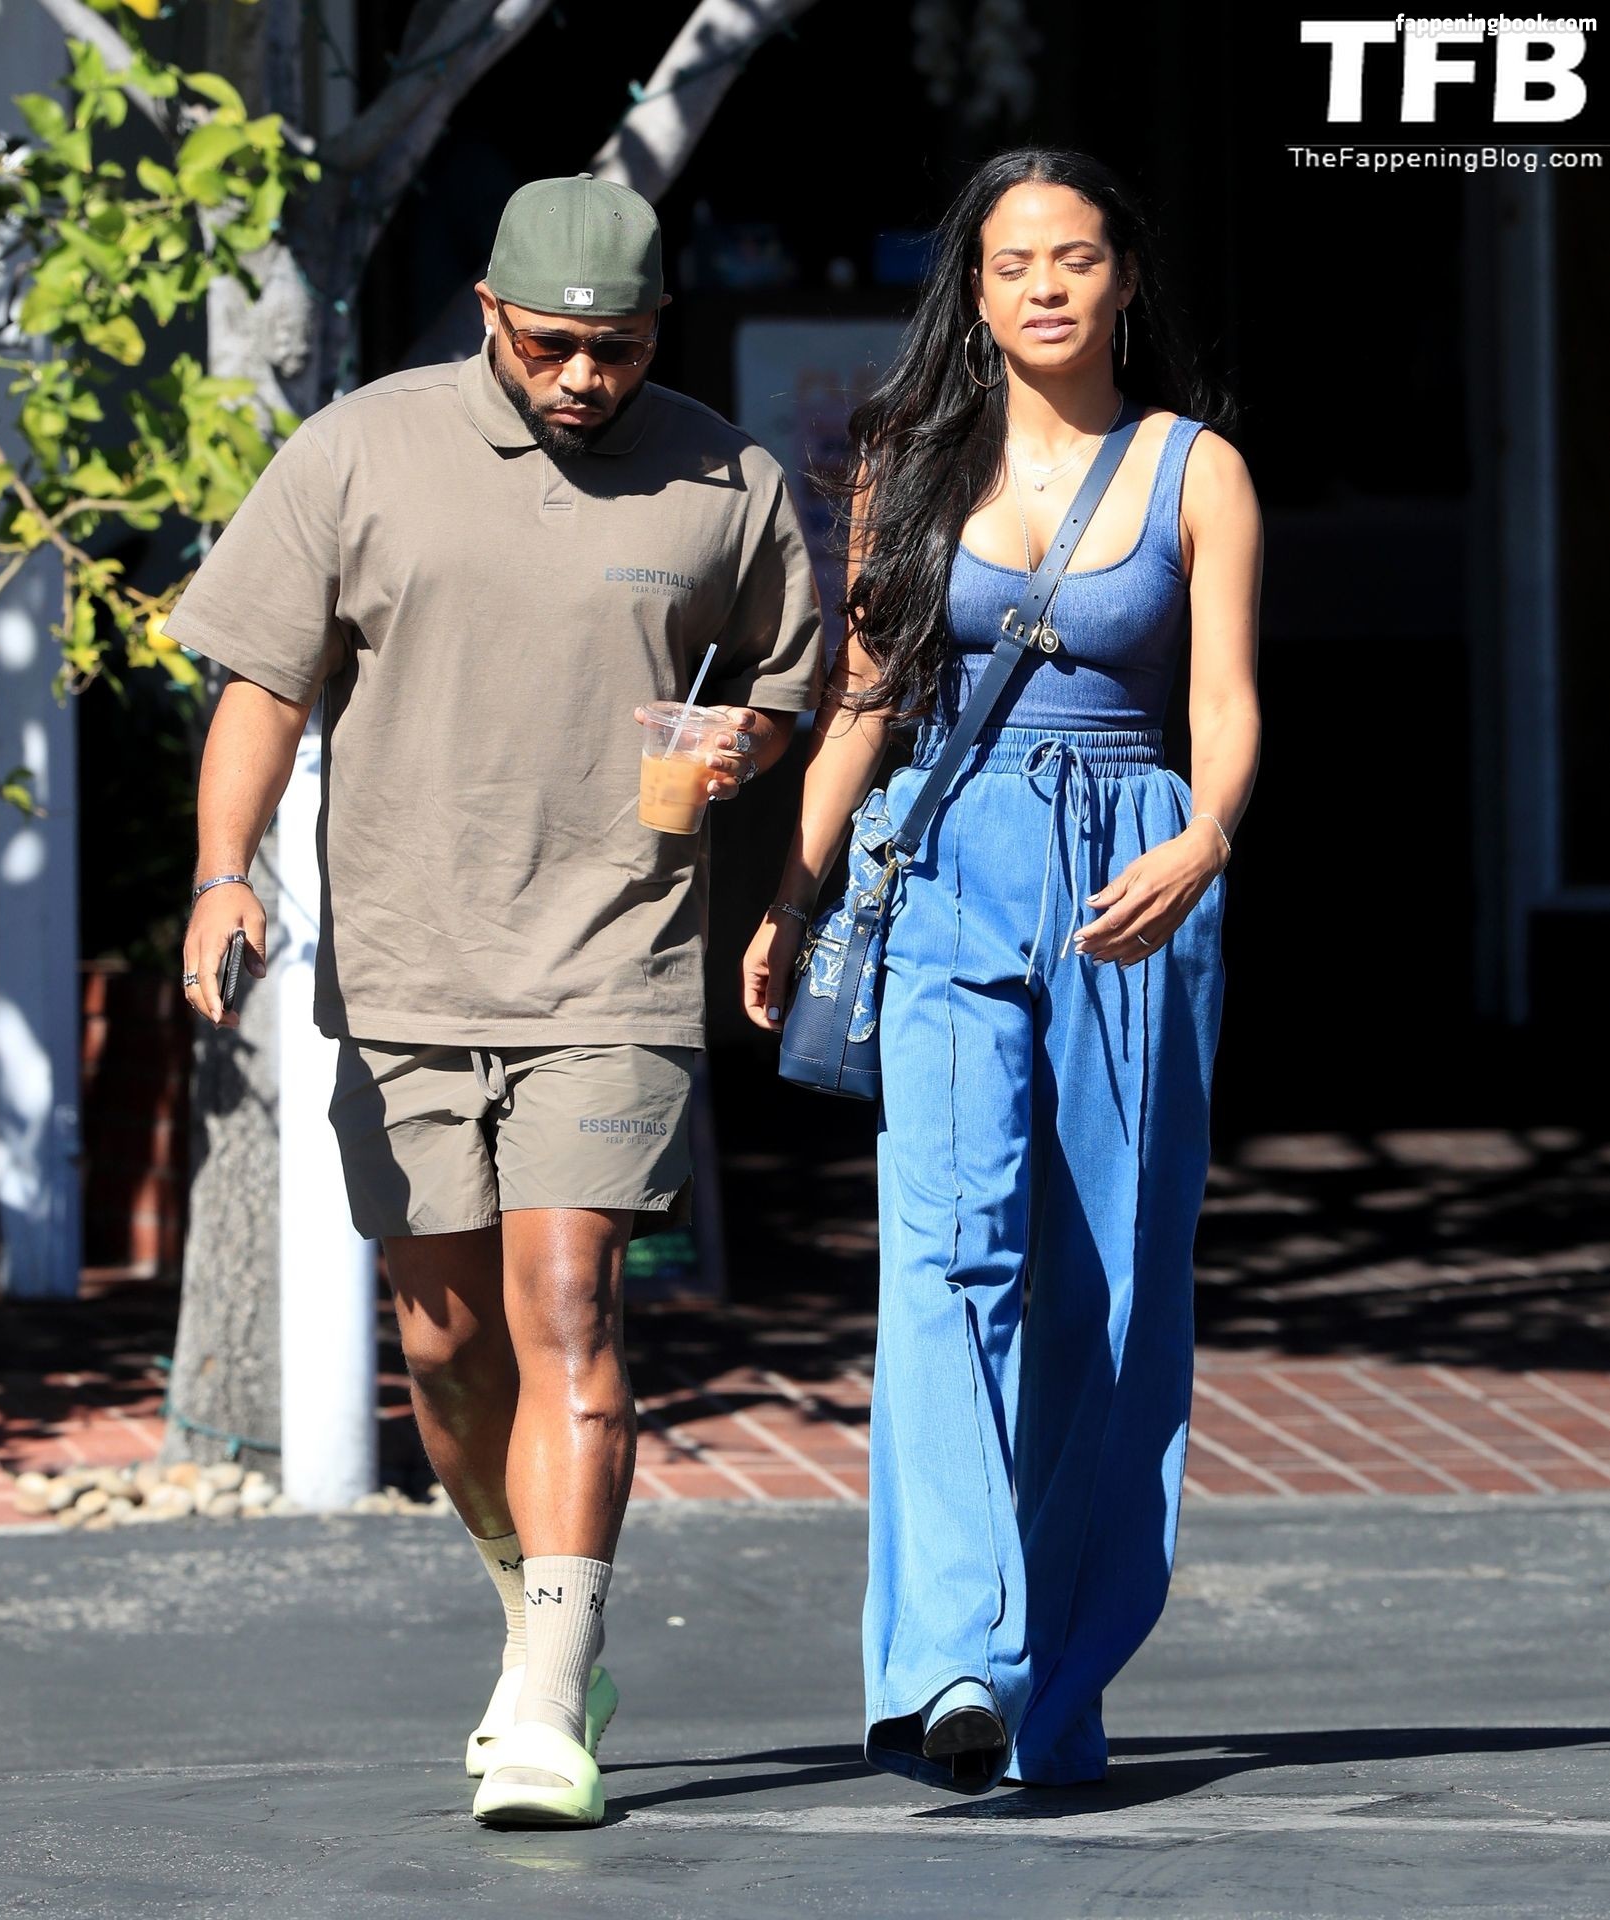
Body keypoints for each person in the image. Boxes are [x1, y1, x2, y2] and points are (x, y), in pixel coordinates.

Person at [173, 174, 825, 1828]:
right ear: (489, 314)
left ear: (658, 330)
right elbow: (262, 681)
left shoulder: (727, 478)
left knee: (571, 1306)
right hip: (408, 965)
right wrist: (224, 872)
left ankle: (549, 1699)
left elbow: (782, 685)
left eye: (619, 348)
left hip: (615, 960)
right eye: (551, 346)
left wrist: (742, 746)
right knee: (447, 1346)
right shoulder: (358, 452)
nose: (585, 377)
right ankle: (528, 1613)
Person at [743, 147, 1261, 1795]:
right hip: (946, 869)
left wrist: (1205, 836)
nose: (1044, 285)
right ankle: (958, 1657)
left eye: (1075, 257)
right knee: (943, 1253)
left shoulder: (1194, 469)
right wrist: (793, 892)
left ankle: (1058, 1680)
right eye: (1011, 262)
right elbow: (866, 695)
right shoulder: (908, 459)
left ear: (1123, 280)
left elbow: (1225, 698)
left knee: (1111, 1282)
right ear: (972, 293)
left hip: (1129, 873)